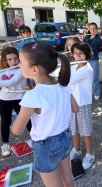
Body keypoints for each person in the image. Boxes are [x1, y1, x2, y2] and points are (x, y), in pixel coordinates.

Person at [12, 42, 79, 187]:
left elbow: (16, 130)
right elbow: (75, 108)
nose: (18, 65)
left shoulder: (34, 95)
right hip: (65, 138)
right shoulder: (62, 83)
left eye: (21, 62)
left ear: (34, 69)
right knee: (68, 179)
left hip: (46, 145)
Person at [0, 47, 32, 157]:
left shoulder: (21, 70)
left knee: (27, 120)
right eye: (9, 59)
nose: (13, 62)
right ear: (5, 60)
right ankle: (5, 144)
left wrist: (2, 82)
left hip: (19, 98)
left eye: (15, 58)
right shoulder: (3, 69)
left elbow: (12, 81)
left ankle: (35, 139)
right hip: (4, 99)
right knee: (5, 123)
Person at [68, 42, 95, 170]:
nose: (77, 56)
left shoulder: (86, 69)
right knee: (74, 129)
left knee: (85, 130)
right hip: (72, 102)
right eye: (75, 53)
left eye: (81, 53)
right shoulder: (73, 67)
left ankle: (90, 154)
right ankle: (76, 149)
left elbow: (69, 79)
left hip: (82, 103)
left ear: (87, 54)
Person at [2, 25, 36, 90]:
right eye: (24, 33)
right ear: (21, 34)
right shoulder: (22, 42)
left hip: (32, 63)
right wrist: (11, 45)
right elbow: (17, 51)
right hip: (25, 64)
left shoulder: (33, 40)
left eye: (27, 32)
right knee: (28, 82)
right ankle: (29, 92)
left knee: (33, 82)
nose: (26, 34)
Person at [77, 22, 101, 101]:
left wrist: (81, 39)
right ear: (89, 29)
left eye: (94, 29)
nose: (92, 30)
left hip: (94, 59)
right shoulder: (87, 37)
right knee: (86, 76)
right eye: (91, 29)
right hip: (86, 59)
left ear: (96, 29)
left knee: (94, 77)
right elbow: (83, 47)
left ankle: (96, 93)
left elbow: (89, 48)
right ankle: (88, 92)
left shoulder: (98, 39)